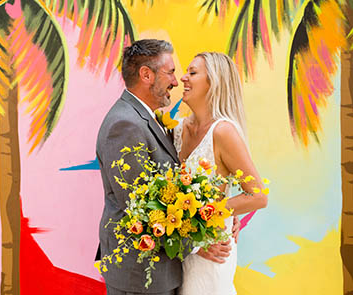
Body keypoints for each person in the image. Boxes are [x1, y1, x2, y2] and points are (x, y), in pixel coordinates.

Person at [96, 40, 235, 295]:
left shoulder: (146, 118)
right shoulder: (125, 125)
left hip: (161, 270)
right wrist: (197, 243)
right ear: (146, 75)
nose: (176, 80)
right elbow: (141, 208)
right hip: (140, 276)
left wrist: (220, 213)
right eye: (170, 72)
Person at [175, 52, 268, 294]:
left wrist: (209, 215)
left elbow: (258, 196)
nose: (183, 78)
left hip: (212, 253)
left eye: (193, 73)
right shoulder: (177, 128)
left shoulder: (223, 132)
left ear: (213, 82)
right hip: (182, 255)